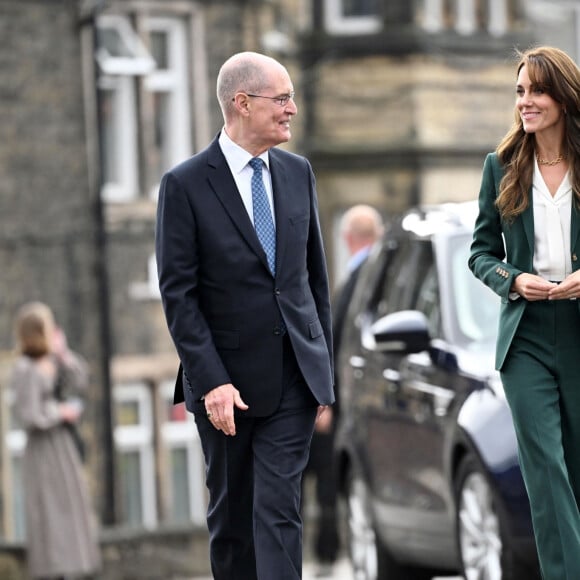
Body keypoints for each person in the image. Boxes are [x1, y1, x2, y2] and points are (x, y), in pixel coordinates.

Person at [155, 51, 334, 580]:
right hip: (225, 388)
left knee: (279, 511)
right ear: (242, 102)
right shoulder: (185, 185)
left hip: (294, 378)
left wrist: (323, 369)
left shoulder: (299, 172)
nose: (292, 110)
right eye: (281, 99)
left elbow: (312, 280)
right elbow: (179, 296)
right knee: (233, 522)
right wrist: (211, 382)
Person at [469, 46, 580, 579]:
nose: (525, 102)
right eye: (519, 91)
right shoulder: (502, 165)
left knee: (577, 470)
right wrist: (514, 280)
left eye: (536, 90)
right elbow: (480, 252)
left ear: (562, 96)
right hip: (527, 338)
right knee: (545, 470)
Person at [303, 204, 384, 577]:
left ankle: (328, 551)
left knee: (331, 475)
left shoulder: (367, 275)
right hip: (346, 398)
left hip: (348, 400)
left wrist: (327, 398)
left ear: (348, 238)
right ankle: (326, 551)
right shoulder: (365, 273)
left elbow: (344, 344)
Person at [9, 302, 101, 580]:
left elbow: (81, 379)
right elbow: (28, 413)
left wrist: (63, 353)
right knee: (49, 512)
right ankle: (52, 571)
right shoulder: (24, 368)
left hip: (63, 446)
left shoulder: (52, 360)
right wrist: (60, 411)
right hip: (43, 450)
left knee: (73, 508)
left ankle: (74, 569)